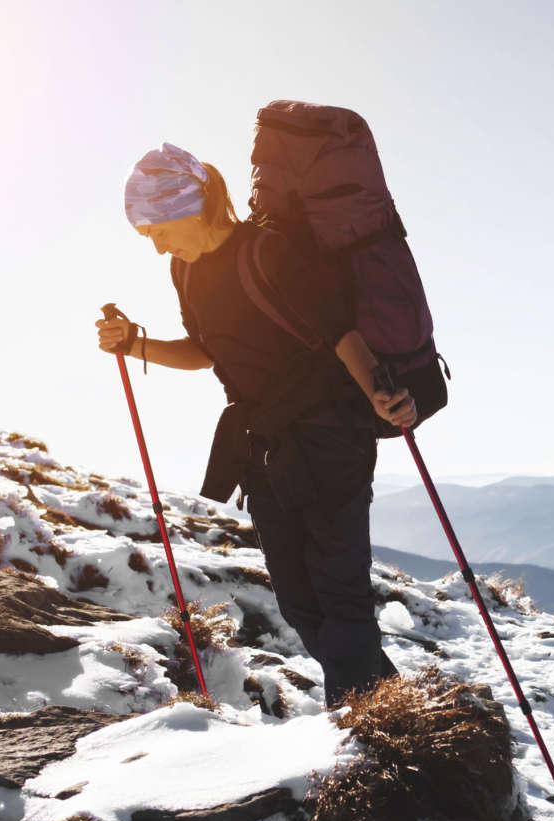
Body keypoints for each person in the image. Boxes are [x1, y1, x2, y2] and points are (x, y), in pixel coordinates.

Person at [96, 142, 412, 707]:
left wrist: (381, 397)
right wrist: (135, 344)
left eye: (158, 230)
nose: (157, 244)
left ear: (189, 209)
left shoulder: (270, 253)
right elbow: (204, 350)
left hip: (330, 436)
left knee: (340, 598)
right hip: (262, 447)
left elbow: (340, 333)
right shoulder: (185, 273)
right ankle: (391, 702)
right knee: (300, 603)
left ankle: (367, 729)